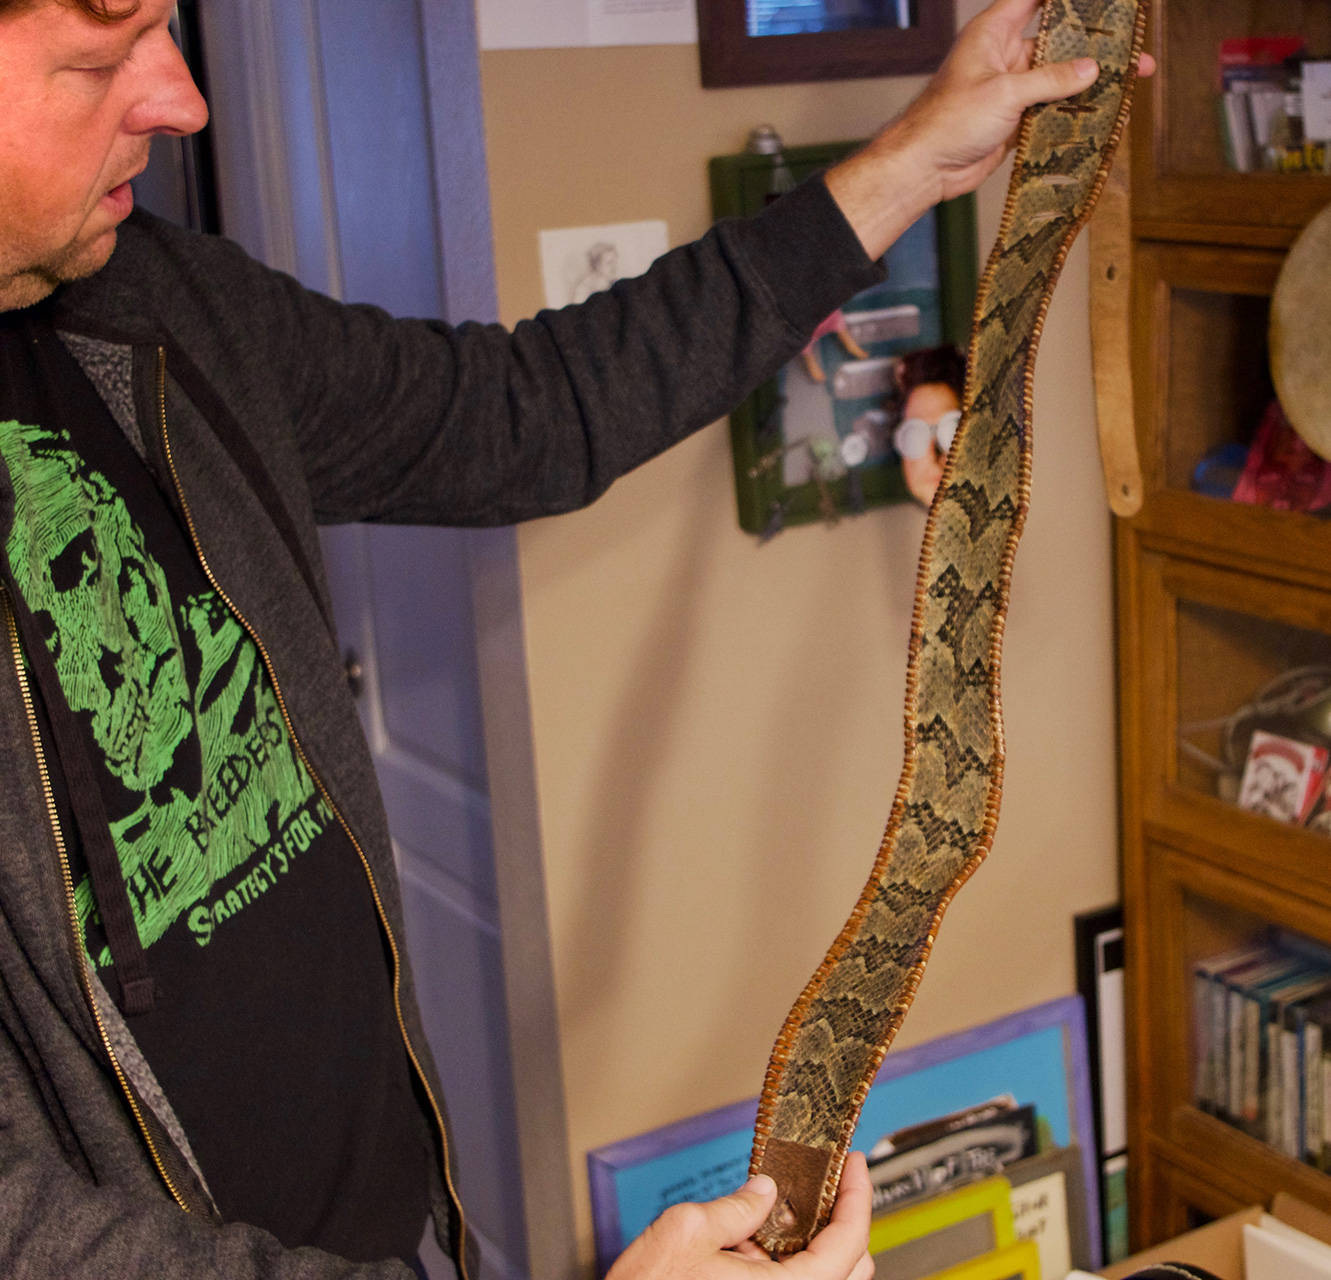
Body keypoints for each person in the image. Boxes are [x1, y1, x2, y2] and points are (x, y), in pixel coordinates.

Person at [0, 0, 1150, 1277]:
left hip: (406, 1229)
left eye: (164, 25)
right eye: (99, 61)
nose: (180, 97)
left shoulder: (160, 304)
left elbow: (522, 410)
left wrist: (911, 164)